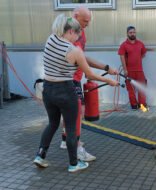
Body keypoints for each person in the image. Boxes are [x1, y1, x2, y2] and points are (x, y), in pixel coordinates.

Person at [33, 14, 118, 172]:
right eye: (77, 35)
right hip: (65, 91)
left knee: (52, 123)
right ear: (71, 31)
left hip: (48, 90)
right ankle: (73, 164)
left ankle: (40, 155)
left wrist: (106, 68)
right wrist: (109, 81)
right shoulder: (73, 50)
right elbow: (90, 74)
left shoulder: (51, 39)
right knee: (71, 128)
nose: (78, 39)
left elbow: (82, 58)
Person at [60, 5, 118, 162]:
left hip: (76, 78)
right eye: (85, 21)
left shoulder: (79, 30)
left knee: (72, 113)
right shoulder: (70, 34)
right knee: (78, 113)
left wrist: (100, 70)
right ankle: (77, 148)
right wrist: (106, 70)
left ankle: (67, 140)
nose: (87, 24)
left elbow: (83, 57)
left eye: (88, 21)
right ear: (76, 16)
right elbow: (82, 60)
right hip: (70, 79)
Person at [118, 26, 147, 110]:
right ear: (127, 34)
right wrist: (125, 69)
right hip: (129, 71)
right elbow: (122, 57)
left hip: (139, 71)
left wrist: (136, 59)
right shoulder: (124, 45)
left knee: (141, 88)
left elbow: (143, 54)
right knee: (131, 90)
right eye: (130, 33)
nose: (132, 34)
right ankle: (134, 105)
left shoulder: (140, 44)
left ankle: (142, 105)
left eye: (133, 32)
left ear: (135, 33)